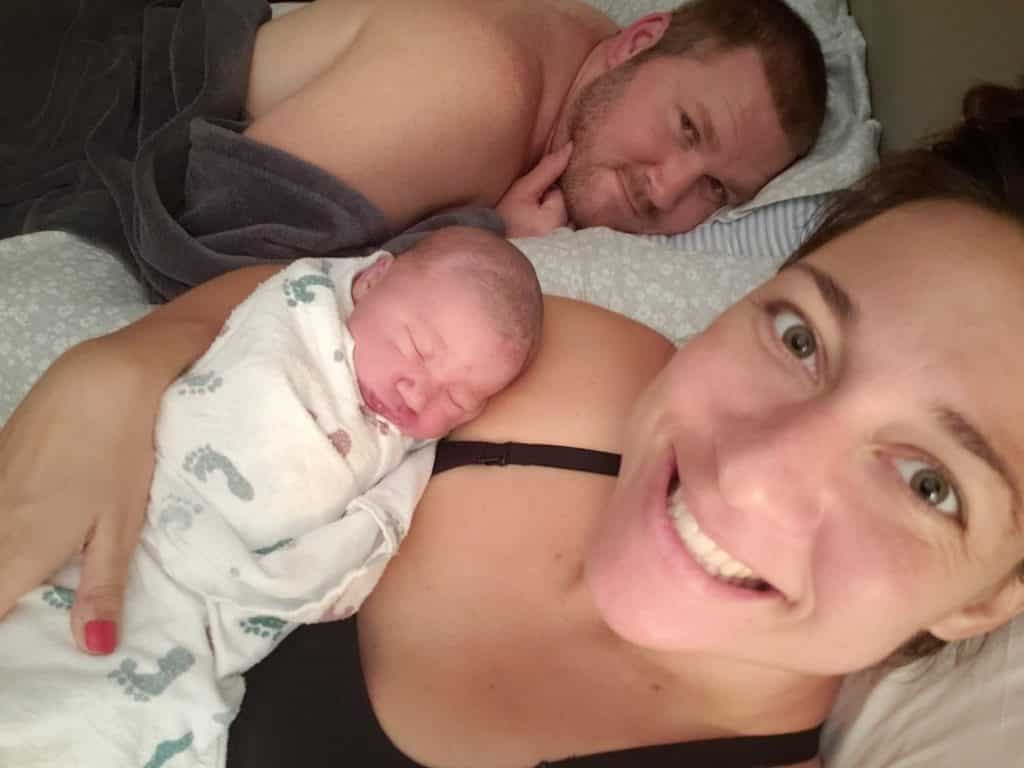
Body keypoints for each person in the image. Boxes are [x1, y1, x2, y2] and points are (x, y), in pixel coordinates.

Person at [3, 83, 1022, 767]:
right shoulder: (572, 366)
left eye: (928, 483)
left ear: (989, 600)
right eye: (800, 338)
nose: (750, 475)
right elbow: (333, 307)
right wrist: (125, 363)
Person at [0, 226, 541, 766]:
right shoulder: (302, 313)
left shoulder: (409, 448)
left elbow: (383, 515)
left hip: (209, 608)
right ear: (373, 280)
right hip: (144, 503)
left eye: (458, 399)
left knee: (110, 720)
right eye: (416, 348)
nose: (418, 392)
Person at [250, 0, 827, 237]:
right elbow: (211, 243)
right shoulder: (477, 94)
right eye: (688, 128)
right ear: (638, 42)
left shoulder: (586, 55)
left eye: (716, 188)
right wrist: (482, 237)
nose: (666, 191)